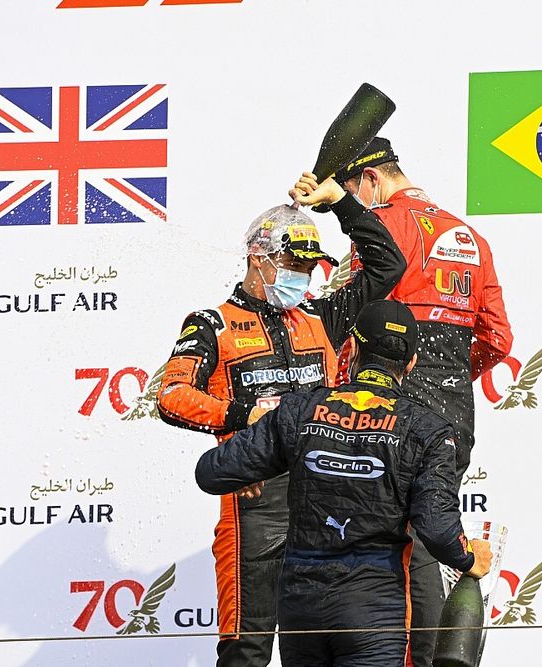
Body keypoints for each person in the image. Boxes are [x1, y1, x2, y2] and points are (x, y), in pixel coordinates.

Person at [157, 175, 406, 667]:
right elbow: (172, 396)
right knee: (246, 647)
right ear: (258, 259)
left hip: (325, 498)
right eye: (294, 265)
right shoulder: (212, 323)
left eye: (310, 267)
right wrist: (243, 416)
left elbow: (387, 263)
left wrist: (339, 201)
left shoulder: (321, 316)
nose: (304, 276)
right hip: (254, 498)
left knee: (317, 642)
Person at [195, 300, 493, 666]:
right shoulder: (427, 430)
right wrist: (467, 558)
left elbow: (212, 472)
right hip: (372, 610)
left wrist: (247, 471)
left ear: (351, 348)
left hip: (302, 609)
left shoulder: (298, 409)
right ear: (411, 363)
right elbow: (436, 525)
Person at [332, 137, 514, 665]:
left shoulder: (382, 226)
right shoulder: (470, 235)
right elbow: (499, 339)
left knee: (395, 550)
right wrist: (453, 374)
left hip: (392, 398)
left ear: (369, 180)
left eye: (352, 193)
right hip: (453, 408)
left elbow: (357, 323)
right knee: (433, 538)